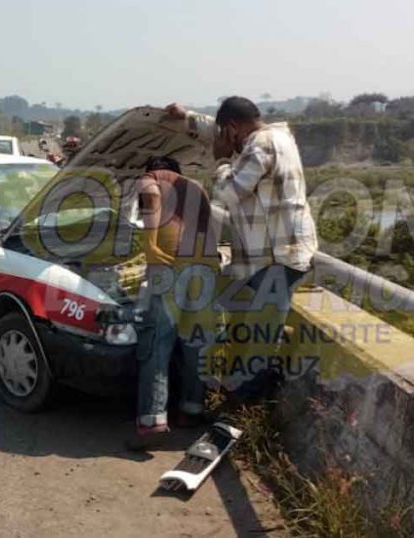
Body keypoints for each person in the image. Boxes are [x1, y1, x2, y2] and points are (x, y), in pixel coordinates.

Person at [166, 97, 318, 386]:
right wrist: (187, 116)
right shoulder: (274, 136)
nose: (222, 139)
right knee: (233, 321)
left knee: (259, 343)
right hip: (268, 257)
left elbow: (229, 193)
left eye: (225, 134)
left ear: (234, 128)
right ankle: (230, 394)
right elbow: (219, 130)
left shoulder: (261, 146)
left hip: (277, 260)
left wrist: (221, 161)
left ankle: (242, 412)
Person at [127, 156, 218, 450]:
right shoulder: (196, 186)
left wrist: (150, 244)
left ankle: (153, 420)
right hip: (205, 268)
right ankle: (191, 409)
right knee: (195, 342)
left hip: (170, 266)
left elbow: (150, 194)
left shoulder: (151, 179)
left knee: (157, 342)